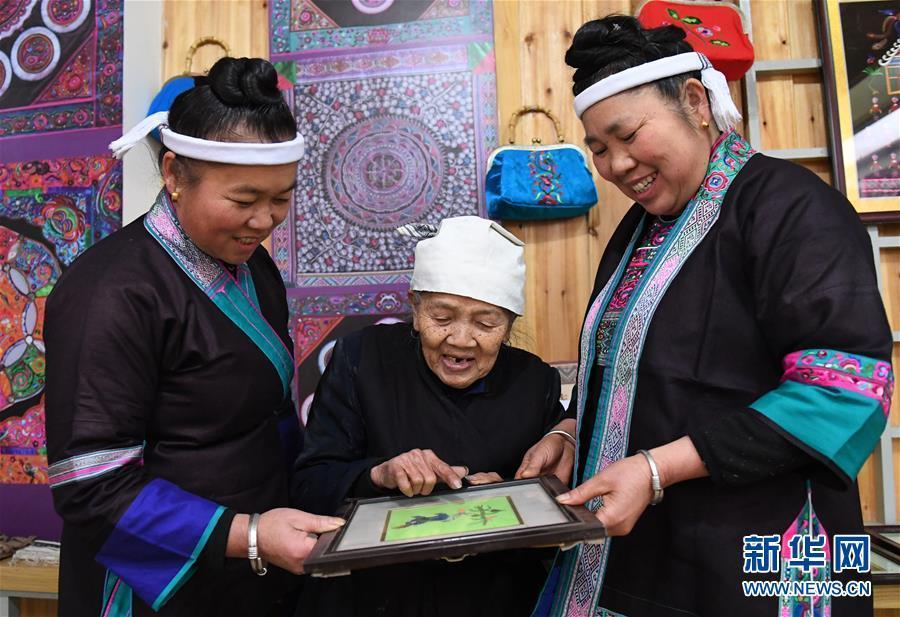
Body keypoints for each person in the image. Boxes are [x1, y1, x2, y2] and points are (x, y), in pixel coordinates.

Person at [530, 16, 894, 617]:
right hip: (653, 548)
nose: (617, 165)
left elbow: (844, 394)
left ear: (696, 103)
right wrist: (573, 430)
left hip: (769, 555)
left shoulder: (795, 208)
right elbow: (630, 366)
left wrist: (654, 470)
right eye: (598, 149)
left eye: (627, 136)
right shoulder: (639, 230)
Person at [44, 57, 344, 617]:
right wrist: (249, 534)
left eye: (281, 198)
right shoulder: (111, 292)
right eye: (244, 199)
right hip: (158, 580)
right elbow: (90, 484)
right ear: (175, 176)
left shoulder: (255, 270)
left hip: (253, 568)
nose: (265, 221)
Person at [292, 216, 577, 617]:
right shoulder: (362, 360)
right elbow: (308, 485)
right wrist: (379, 475)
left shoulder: (534, 382)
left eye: (486, 323)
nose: (460, 340)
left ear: (510, 325)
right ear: (414, 307)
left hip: (492, 593)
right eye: (441, 317)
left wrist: (510, 495)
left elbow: (559, 500)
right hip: (373, 594)